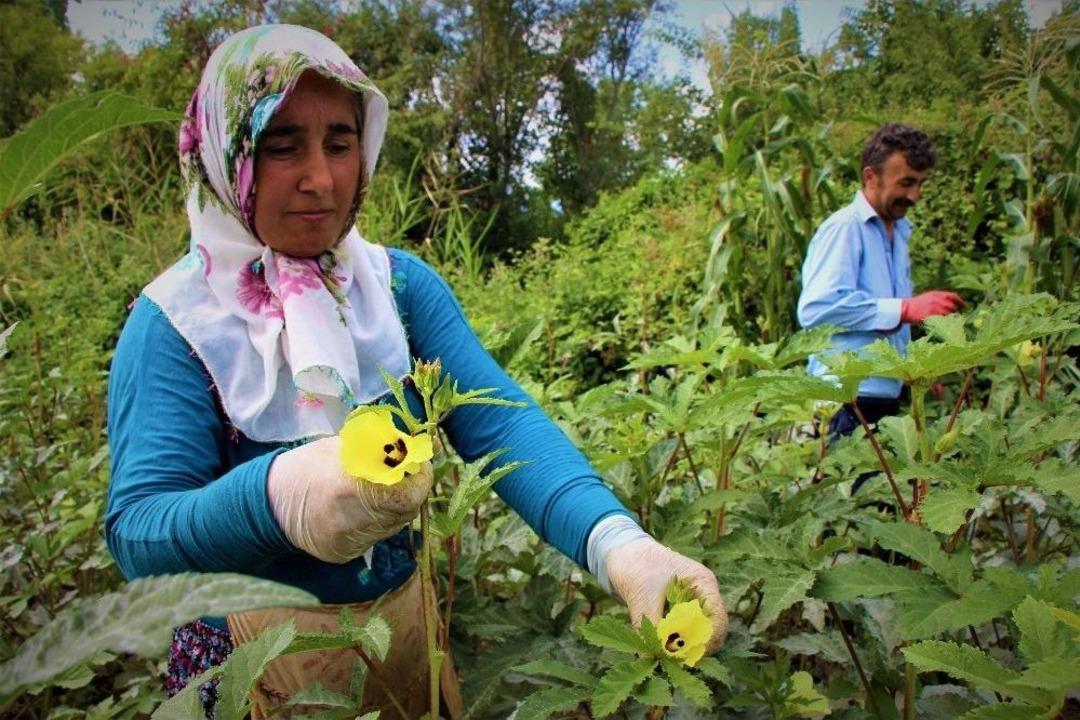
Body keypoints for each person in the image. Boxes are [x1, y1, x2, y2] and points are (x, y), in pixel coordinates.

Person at [105, 24, 726, 719]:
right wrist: (276, 499)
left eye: (340, 143)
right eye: (281, 146)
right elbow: (139, 535)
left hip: (399, 637)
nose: (321, 179)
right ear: (227, 153)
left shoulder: (394, 289)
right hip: (247, 665)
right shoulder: (176, 324)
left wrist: (620, 545)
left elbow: (501, 425)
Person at [797, 123, 964, 442]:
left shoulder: (899, 232)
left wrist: (916, 369)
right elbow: (817, 309)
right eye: (906, 183)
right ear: (871, 176)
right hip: (843, 400)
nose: (915, 195)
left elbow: (884, 321)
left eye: (920, 183)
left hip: (883, 397)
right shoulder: (845, 228)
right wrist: (907, 309)